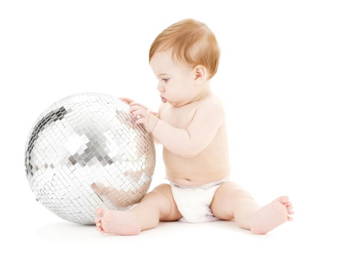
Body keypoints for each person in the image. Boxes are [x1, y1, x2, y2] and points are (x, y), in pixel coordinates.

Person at [95, 18, 294, 235]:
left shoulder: (210, 108)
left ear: (198, 75)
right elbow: (160, 137)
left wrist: (153, 122)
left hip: (215, 191)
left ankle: (255, 217)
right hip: (176, 192)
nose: (158, 86)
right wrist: (139, 119)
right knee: (151, 202)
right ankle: (134, 221)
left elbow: (189, 145)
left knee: (239, 198)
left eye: (165, 79)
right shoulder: (169, 107)